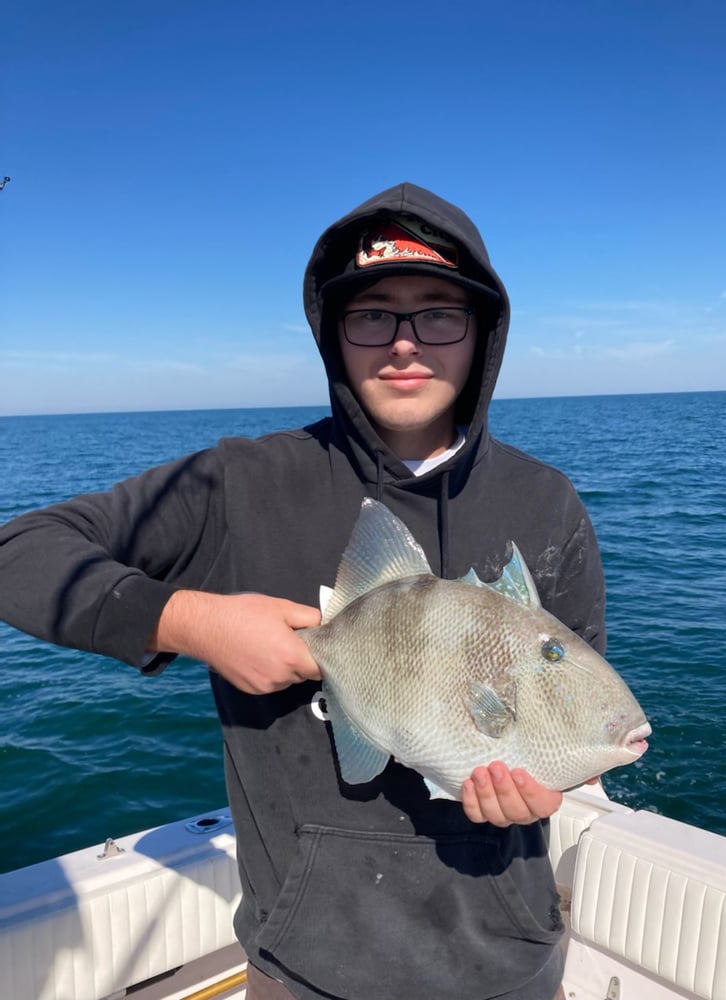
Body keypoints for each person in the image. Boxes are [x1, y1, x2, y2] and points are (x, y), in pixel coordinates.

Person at [0, 183, 605, 1000]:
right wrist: (194, 621)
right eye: (371, 315)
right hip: (306, 969)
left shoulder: (546, 500)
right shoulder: (240, 482)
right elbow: (20, 553)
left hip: (506, 964)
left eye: (438, 314)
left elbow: (566, 698)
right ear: (332, 332)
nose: (404, 345)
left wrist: (544, 786)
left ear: (484, 332)